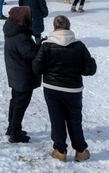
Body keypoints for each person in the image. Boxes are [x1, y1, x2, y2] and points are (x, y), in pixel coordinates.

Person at [32, 15, 97, 163]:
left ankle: (60, 151)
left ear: (54, 28)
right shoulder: (79, 46)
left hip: (52, 88)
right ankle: (81, 151)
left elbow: (36, 68)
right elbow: (90, 69)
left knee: (57, 120)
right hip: (73, 90)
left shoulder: (46, 45)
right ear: (69, 27)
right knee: (75, 121)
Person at [3, 6, 40, 143]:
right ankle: (15, 133)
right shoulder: (21, 37)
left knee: (15, 101)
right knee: (20, 104)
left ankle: (11, 127)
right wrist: (40, 46)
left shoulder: (12, 30)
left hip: (16, 73)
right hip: (23, 76)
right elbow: (32, 55)